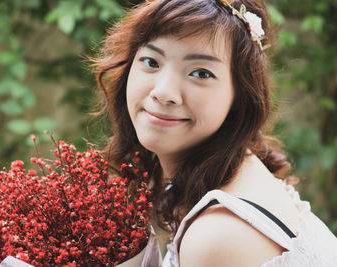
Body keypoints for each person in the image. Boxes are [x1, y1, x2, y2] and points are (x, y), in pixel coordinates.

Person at [93, 0, 337, 266]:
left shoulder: (217, 237)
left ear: (239, 95)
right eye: (151, 61)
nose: (163, 92)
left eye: (200, 72)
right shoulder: (236, 169)